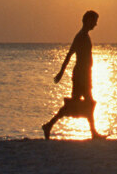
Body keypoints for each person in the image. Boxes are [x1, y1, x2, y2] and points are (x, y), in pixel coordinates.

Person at [42, 10, 103, 139]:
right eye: (94, 21)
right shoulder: (80, 37)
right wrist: (61, 73)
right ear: (87, 20)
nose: (95, 24)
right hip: (81, 76)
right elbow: (69, 55)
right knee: (88, 103)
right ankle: (93, 132)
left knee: (81, 104)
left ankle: (49, 125)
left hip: (85, 74)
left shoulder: (85, 36)